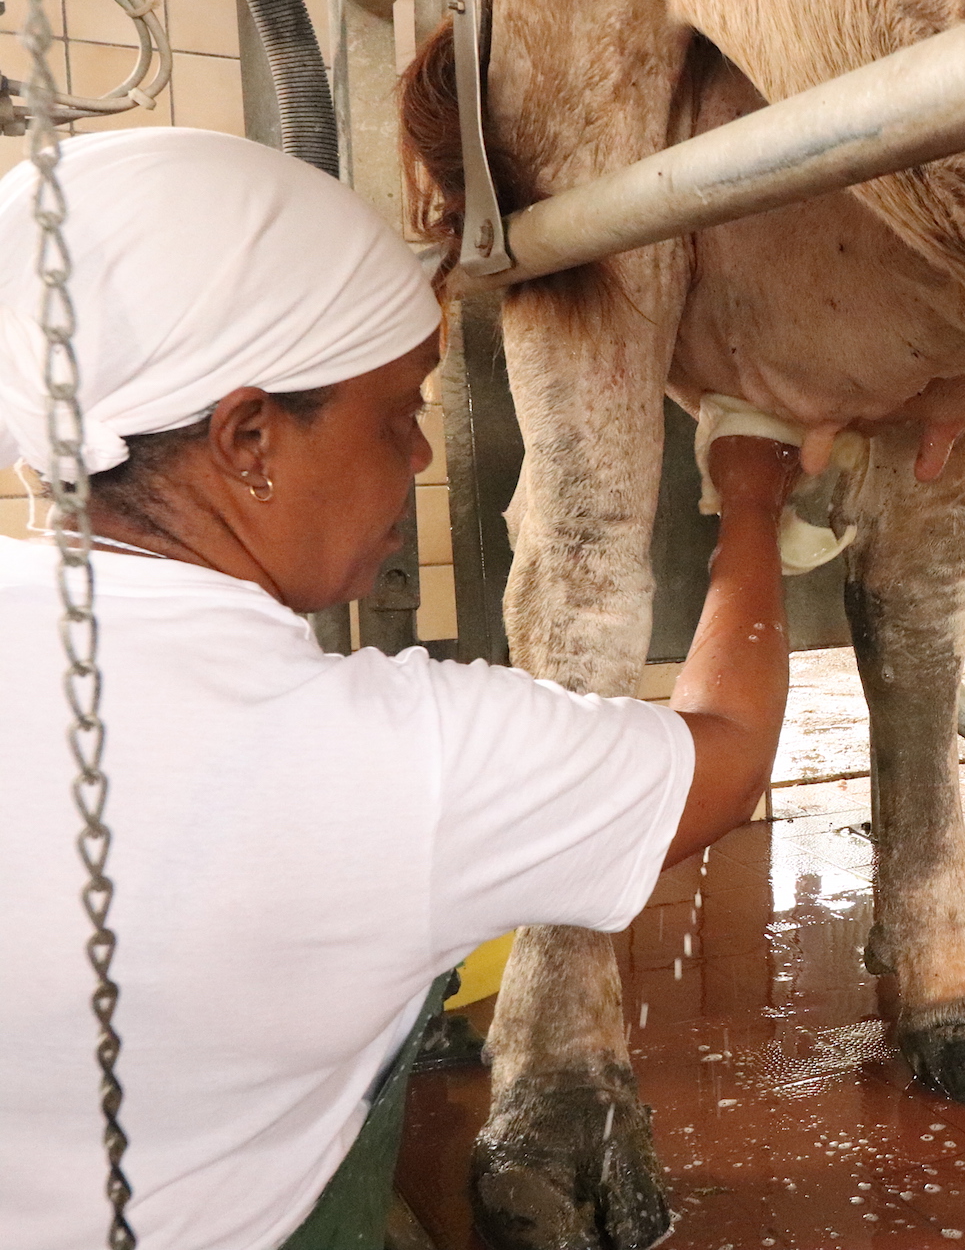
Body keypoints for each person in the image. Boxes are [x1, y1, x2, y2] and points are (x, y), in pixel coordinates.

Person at [0, 128, 800, 1248]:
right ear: (249, 440)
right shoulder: (401, 761)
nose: (420, 457)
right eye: (399, 412)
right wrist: (751, 499)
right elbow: (726, 749)